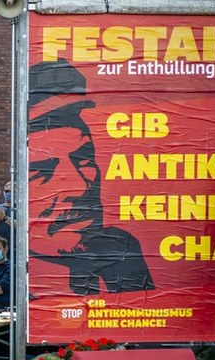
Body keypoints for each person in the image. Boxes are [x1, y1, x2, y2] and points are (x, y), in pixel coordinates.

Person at [28, 59, 154, 295]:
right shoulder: (22, 283)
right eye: (44, 170)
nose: (79, 187)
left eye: (83, 159)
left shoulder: (122, 252)